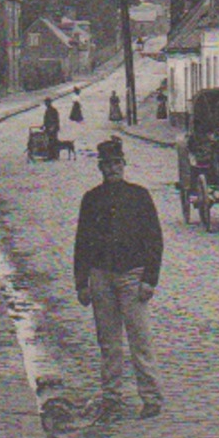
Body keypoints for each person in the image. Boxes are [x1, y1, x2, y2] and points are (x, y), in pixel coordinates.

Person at [73, 137, 164, 420]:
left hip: (132, 276)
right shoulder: (91, 199)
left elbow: (154, 240)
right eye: (107, 165)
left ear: (124, 165)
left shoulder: (139, 196)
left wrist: (150, 279)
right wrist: (81, 282)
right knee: (108, 341)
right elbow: (82, 242)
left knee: (139, 338)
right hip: (100, 276)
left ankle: (150, 397)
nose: (112, 169)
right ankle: (112, 398)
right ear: (100, 168)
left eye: (116, 163)